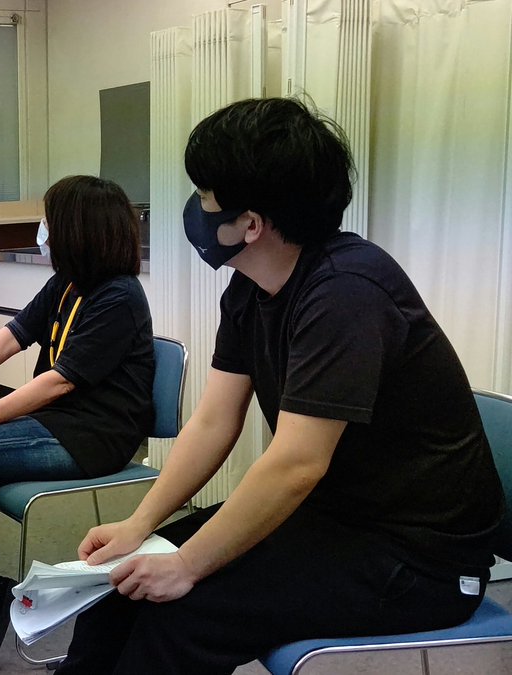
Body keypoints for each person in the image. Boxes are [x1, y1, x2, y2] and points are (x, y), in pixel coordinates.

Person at [57, 98, 506, 674]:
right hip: (333, 520)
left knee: (179, 616)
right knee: (117, 590)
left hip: (420, 559)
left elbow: (297, 463)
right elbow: (214, 421)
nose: (197, 208)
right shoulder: (249, 290)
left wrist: (188, 565)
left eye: (206, 196)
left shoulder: (346, 291)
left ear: (250, 224)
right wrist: (139, 525)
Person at [0, 175, 156, 673]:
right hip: (54, 423)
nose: (44, 231)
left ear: (77, 231)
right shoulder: (69, 284)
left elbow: (59, 382)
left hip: (93, 437)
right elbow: (15, 334)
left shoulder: (119, 297)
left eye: (50, 222)